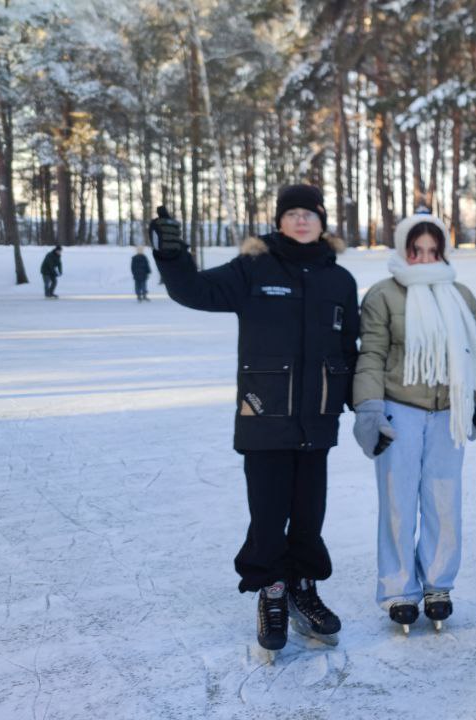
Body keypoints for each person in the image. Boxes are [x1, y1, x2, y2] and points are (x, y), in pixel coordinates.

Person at [151, 184, 358, 655]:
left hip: (317, 419)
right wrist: (172, 255)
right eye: (293, 213)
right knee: (268, 514)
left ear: (322, 222)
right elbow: (193, 290)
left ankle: (303, 586)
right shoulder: (254, 267)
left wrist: (360, 405)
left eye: (310, 213)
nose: (301, 220)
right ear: (279, 221)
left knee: (309, 515)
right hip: (265, 413)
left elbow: (349, 348)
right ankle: (272, 591)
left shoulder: (339, 280)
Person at [351, 209, 476, 634]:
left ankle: (438, 584)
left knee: (443, 500)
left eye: (432, 251)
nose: (423, 258)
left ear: (444, 252)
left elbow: (475, 355)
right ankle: (399, 588)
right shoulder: (383, 295)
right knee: (398, 501)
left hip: (448, 414)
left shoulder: (461, 296)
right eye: (415, 250)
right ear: (403, 250)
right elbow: (372, 355)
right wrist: (369, 409)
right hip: (400, 410)